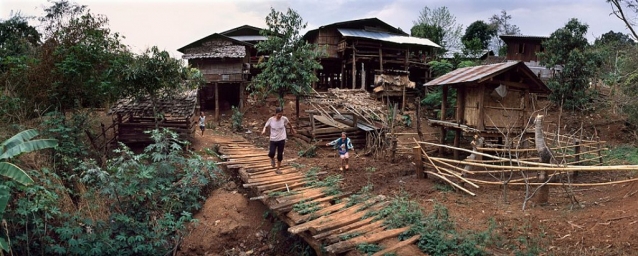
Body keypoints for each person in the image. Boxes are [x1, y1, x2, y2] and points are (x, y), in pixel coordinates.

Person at [262, 107, 295, 174]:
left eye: (281, 114)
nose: (280, 116)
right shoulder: (271, 120)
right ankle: (272, 159)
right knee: (271, 153)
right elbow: (265, 125)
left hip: (281, 139)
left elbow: (289, 123)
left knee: (280, 154)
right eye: (279, 114)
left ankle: (278, 169)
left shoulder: (284, 119)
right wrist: (264, 130)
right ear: (275, 114)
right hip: (273, 139)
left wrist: (292, 129)